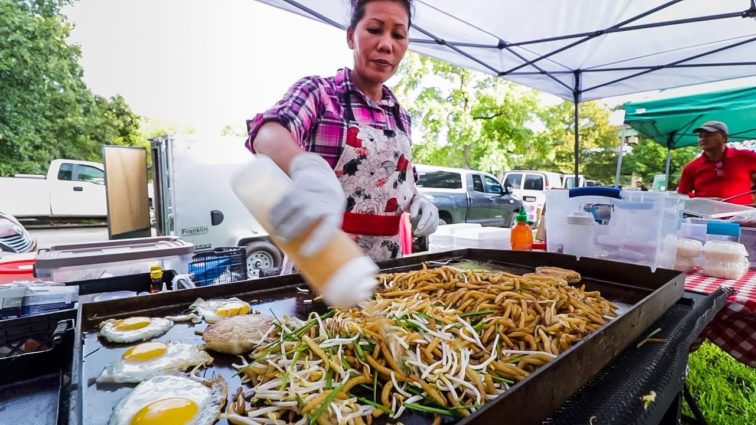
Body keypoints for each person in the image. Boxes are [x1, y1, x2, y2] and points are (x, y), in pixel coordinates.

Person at [246, 0, 438, 262]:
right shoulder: (320, 94)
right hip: (324, 265)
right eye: (374, 29)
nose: (386, 44)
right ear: (351, 36)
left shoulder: (400, 115)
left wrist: (420, 201)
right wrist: (306, 168)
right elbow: (267, 132)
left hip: (390, 272)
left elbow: (400, 182)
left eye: (398, 35)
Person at [677, 121, 756, 205]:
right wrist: (702, 201)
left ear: (724, 137)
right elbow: (680, 198)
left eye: (709, 135)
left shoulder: (745, 157)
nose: (703, 139)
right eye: (700, 136)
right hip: (705, 217)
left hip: (743, 217)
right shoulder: (691, 167)